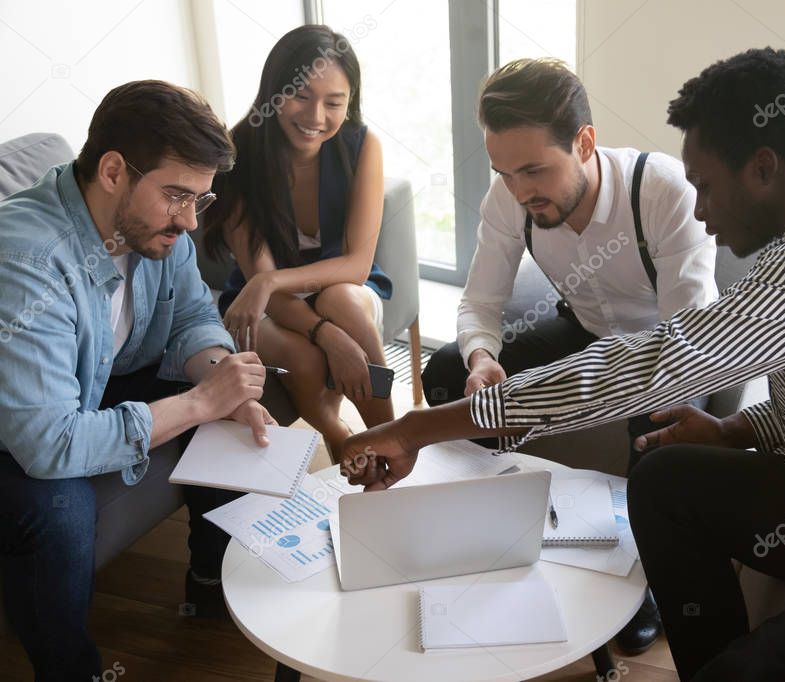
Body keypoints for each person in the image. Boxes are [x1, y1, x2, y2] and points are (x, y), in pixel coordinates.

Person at [338, 47, 785, 682]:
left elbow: (663, 359)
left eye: (706, 185)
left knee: (747, 668)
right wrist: (734, 431)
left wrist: (420, 428)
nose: (698, 208)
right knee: (667, 478)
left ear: (762, 167)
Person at [419, 58, 718, 653]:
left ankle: (648, 584)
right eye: (505, 172)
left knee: (658, 430)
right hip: (579, 327)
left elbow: (691, 337)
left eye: (534, 169)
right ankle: (510, 517)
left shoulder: (660, 191)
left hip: (668, 350)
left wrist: (623, 384)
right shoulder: (509, 199)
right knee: (447, 372)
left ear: (584, 142)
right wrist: (483, 359)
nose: (520, 190)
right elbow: (479, 303)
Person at [0, 80, 274, 681]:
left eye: (201, 199)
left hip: (93, 388)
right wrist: (202, 400)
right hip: (19, 433)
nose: (191, 220)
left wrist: (220, 379)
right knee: (59, 512)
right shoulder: (28, 263)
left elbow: (193, 316)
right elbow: (51, 444)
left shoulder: (159, 230)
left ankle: (210, 582)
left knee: (245, 391)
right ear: (114, 171)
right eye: (178, 196)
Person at [203, 25, 394, 460]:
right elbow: (259, 285)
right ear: (274, 90)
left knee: (342, 300)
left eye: (334, 102)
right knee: (304, 358)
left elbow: (357, 266)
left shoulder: (363, 146)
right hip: (262, 305)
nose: (315, 117)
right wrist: (325, 335)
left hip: (337, 289)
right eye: (301, 96)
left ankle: (394, 437)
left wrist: (272, 283)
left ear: (351, 102)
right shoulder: (238, 156)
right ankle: (340, 438)